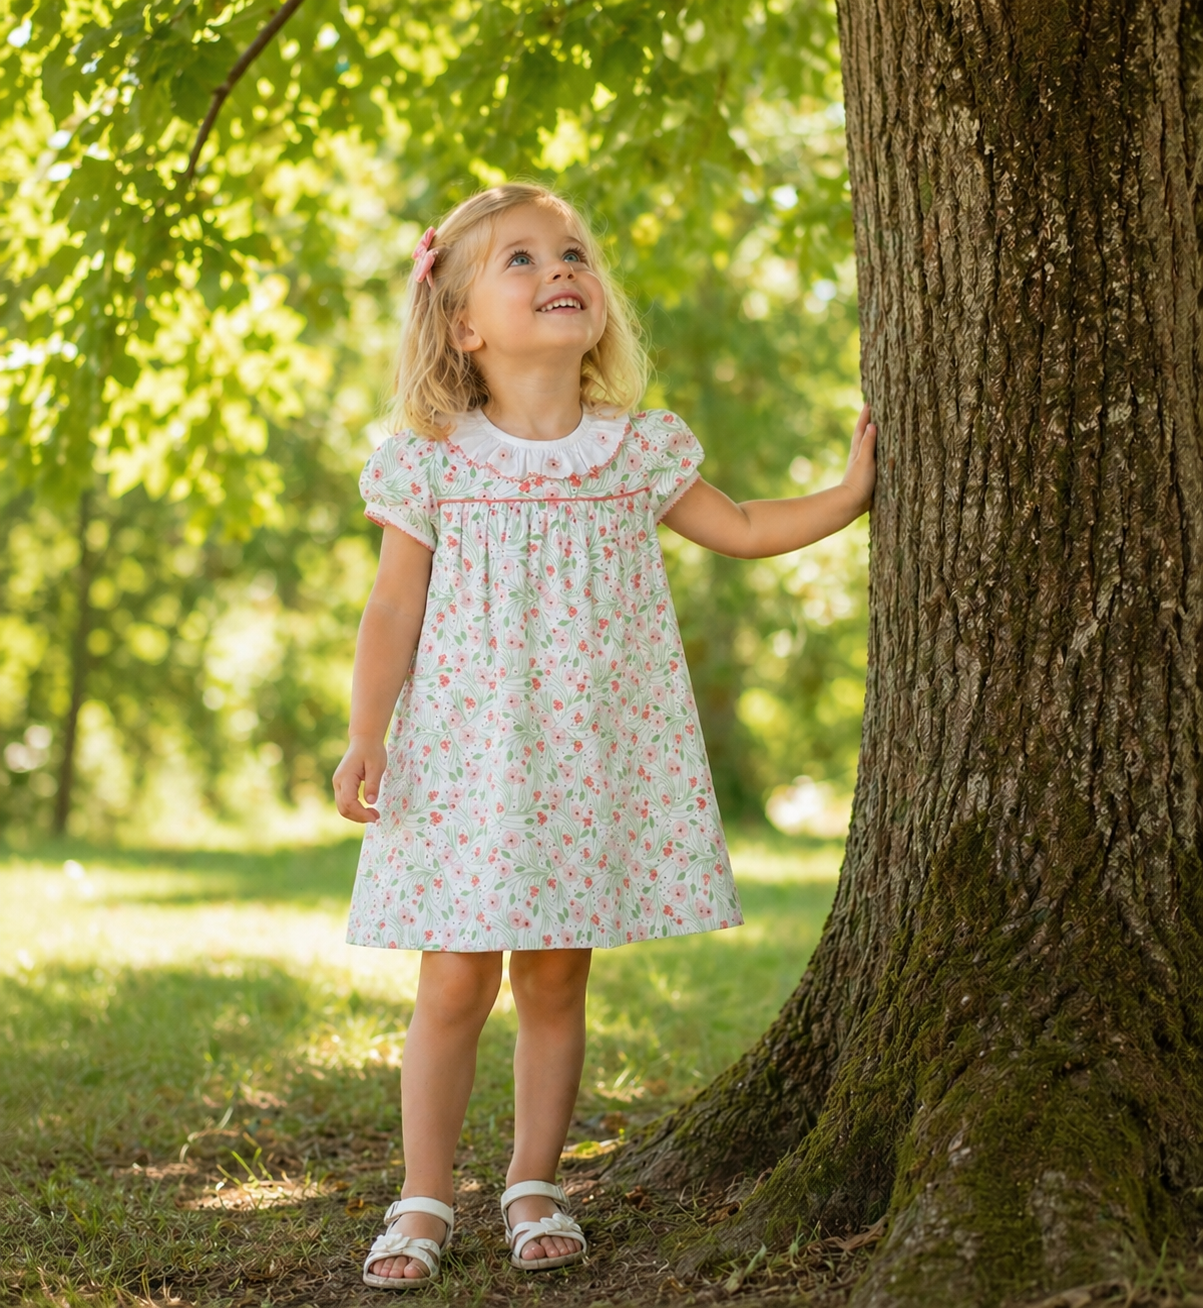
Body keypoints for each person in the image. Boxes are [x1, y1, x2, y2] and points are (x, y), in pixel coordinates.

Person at [332, 182, 877, 1289]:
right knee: (452, 980)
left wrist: (853, 490)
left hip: (587, 760)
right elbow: (392, 609)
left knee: (554, 979)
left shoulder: (634, 451)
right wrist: (365, 732)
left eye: (571, 251)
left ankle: (533, 1181)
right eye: (521, 260)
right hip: (473, 761)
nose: (560, 269)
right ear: (464, 323)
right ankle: (424, 1194)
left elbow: (744, 527)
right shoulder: (433, 457)